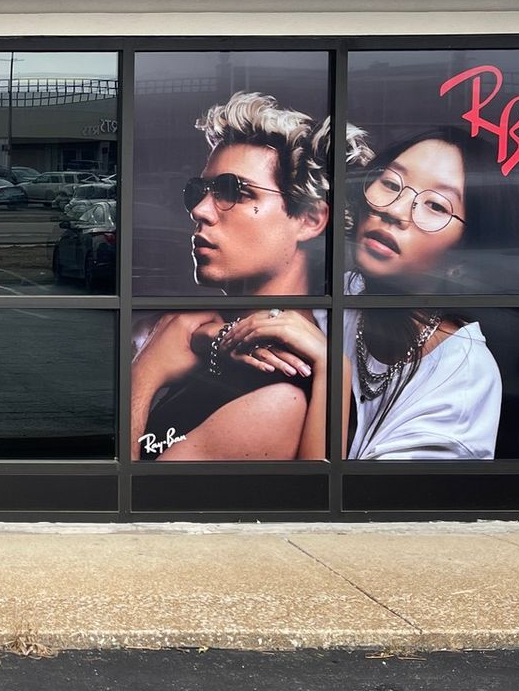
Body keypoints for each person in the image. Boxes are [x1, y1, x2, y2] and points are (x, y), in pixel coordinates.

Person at [213, 127, 519, 459]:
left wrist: (333, 370)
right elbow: (227, 324)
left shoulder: (464, 376)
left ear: (464, 258)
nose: (394, 210)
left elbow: (352, 506)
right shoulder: (342, 291)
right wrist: (218, 339)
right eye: (390, 184)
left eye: (435, 205)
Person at [130, 92, 358, 461]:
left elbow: (128, 509)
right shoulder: (214, 343)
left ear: (309, 220)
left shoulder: (279, 399)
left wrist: (142, 378)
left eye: (233, 192)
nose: (200, 210)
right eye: (199, 191)